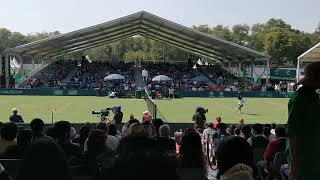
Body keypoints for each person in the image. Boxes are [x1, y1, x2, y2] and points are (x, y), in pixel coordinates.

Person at [287, 62, 320, 180]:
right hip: (304, 160)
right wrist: (295, 164)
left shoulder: (313, 97)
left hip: (313, 156)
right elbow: (292, 134)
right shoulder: (299, 100)